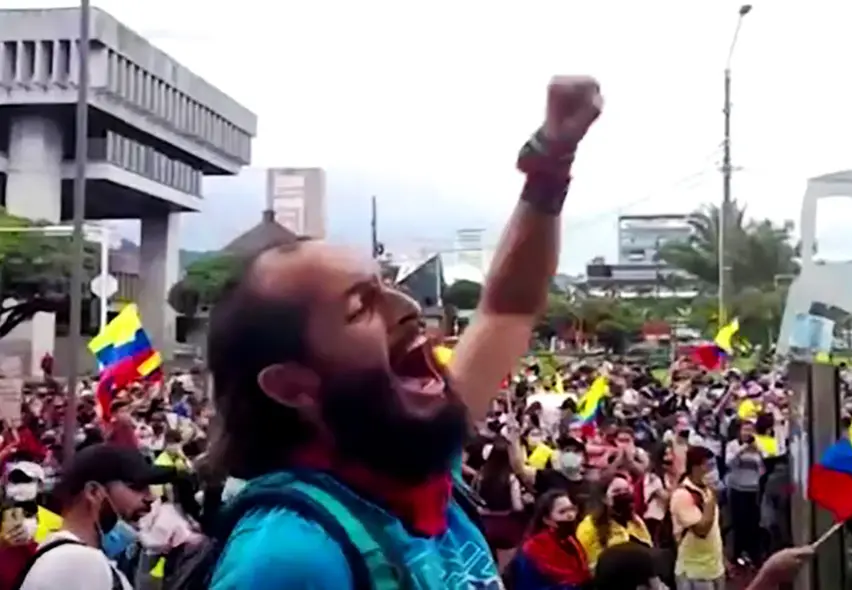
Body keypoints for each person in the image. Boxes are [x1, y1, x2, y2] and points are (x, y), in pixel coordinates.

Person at [204, 76, 603, 589]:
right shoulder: (289, 557)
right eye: (361, 306)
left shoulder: (417, 469)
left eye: (385, 286)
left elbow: (507, 310)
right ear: (293, 386)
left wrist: (551, 163)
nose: (408, 307)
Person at [15, 444, 172, 590]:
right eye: (137, 486)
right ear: (93, 492)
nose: (150, 497)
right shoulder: (79, 562)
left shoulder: (66, 555)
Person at [505, 490, 590, 589]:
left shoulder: (571, 542)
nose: (570, 515)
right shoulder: (533, 549)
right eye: (562, 512)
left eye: (572, 509)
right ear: (547, 519)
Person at [670, 445, 725, 590]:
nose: (712, 470)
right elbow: (702, 530)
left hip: (714, 567)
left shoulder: (706, 490)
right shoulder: (682, 495)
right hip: (694, 572)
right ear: (696, 467)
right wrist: (712, 499)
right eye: (709, 465)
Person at [576, 474, 652, 568]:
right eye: (617, 491)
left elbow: (649, 548)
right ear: (604, 498)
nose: (623, 494)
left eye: (626, 490)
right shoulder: (589, 527)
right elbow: (589, 565)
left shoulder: (636, 521)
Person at [725, 419, 764, 564]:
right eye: (745, 429)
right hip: (737, 488)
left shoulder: (757, 446)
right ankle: (737, 554)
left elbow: (763, 464)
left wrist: (758, 450)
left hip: (753, 489)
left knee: (753, 524)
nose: (747, 433)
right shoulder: (732, 446)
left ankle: (754, 555)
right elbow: (729, 463)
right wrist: (743, 449)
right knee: (738, 523)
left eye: (750, 430)